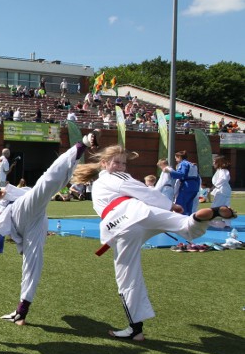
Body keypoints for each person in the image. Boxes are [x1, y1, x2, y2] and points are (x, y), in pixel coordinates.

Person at [72, 145, 236, 341]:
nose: (121, 167)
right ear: (104, 163)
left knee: (128, 277)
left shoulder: (101, 182)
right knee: (185, 224)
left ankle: (135, 329)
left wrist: (169, 205)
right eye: (116, 162)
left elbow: (138, 190)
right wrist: (170, 205)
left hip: (122, 225)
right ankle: (199, 219)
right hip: (142, 212)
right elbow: (143, 190)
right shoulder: (115, 178)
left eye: (124, 163)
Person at [0, 131, 100, 325]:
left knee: (44, 185)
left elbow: (27, 194)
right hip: (26, 228)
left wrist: (7, 191)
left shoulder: (7, 193)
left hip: (22, 212)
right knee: (32, 263)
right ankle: (21, 311)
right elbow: (3, 228)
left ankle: (80, 146)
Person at [162, 151, 200, 215]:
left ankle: (180, 219)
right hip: (194, 186)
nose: (176, 160)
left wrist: (170, 171)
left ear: (179, 157)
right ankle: (188, 219)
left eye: (176, 158)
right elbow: (197, 177)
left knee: (181, 203)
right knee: (189, 205)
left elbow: (181, 174)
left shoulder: (183, 164)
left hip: (187, 186)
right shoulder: (192, 164)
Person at [210, 156, 232, 227]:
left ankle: (216, 223)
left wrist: (214, 186)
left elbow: (223, 179)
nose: (213, 163)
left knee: (216, 207)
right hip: (222, 190)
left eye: (214, 161)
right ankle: (225, 223)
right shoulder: (220, 170)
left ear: (218, 162)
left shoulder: (223, 171)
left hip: (222, 191)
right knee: (223, 207)